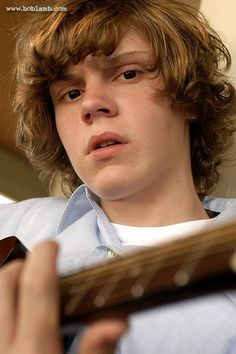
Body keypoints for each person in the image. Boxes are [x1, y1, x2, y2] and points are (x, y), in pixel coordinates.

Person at [0, 0, 236, 353]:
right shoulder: (9, 223)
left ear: (189, 96)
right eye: (71, 93)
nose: (90, 104)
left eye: (128, 73)